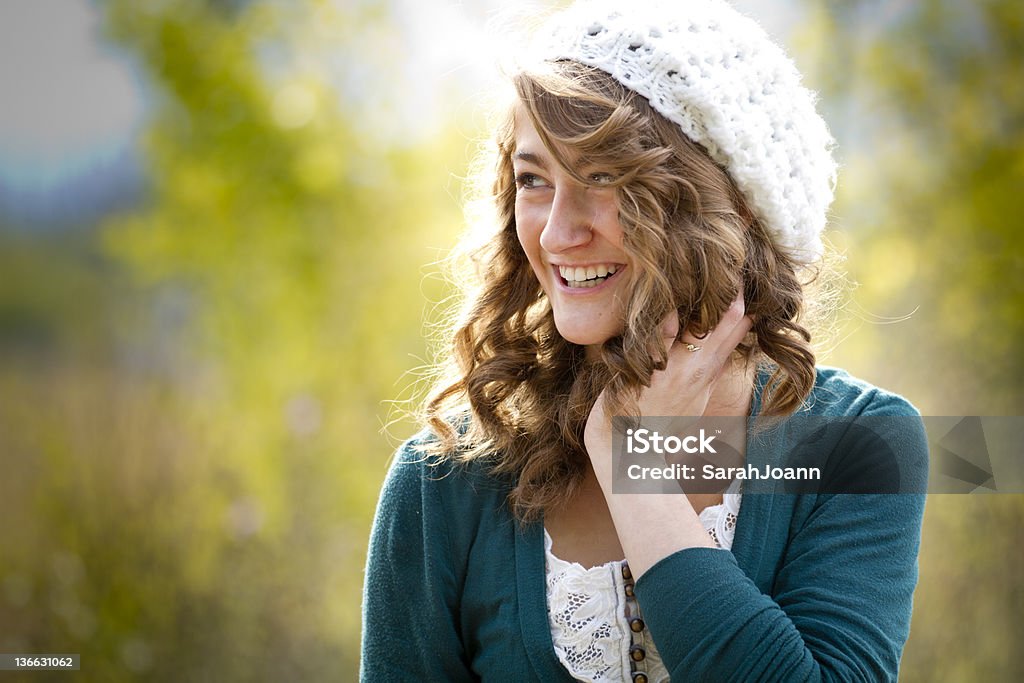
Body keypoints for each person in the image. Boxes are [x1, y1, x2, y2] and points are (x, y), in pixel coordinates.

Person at [361, 1, 928, 681]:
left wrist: (639, 469)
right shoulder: (446, 477)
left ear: (730, 202)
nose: (554, 231)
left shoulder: (862, 442)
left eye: (603, 176)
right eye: (535, 180)